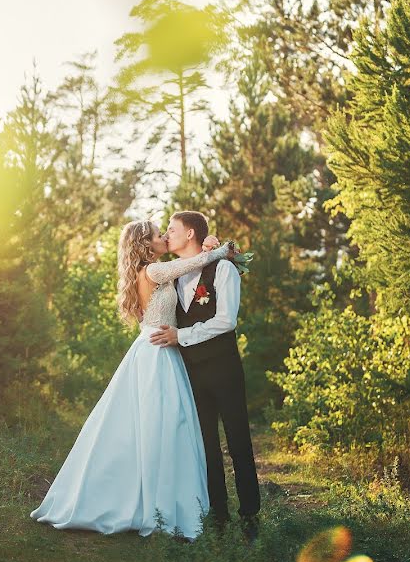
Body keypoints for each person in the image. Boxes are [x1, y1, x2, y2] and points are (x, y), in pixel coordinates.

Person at [30, 220, 235, 539]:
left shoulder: (154, 269)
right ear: (145, 245)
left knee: (159, 424)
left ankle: (152, 498)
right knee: (163, 425)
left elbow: (190, 264)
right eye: (158, 235)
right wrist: (221, 251)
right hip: (156, 352)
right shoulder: (153, 271)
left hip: (156, 346)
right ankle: (156, 502)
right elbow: (192, 263)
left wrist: (207, 246)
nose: (164, 237)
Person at [150, 211, 261, 540]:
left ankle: (250, 518)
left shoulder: (224, 268)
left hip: (224, 369)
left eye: (172, 229)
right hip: (190, 374)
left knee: (238, 442)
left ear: (191, 234)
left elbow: (227, 320)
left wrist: (181, 337)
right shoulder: (171, 277)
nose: (167, 234)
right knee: (205, 446)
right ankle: (219, 516)